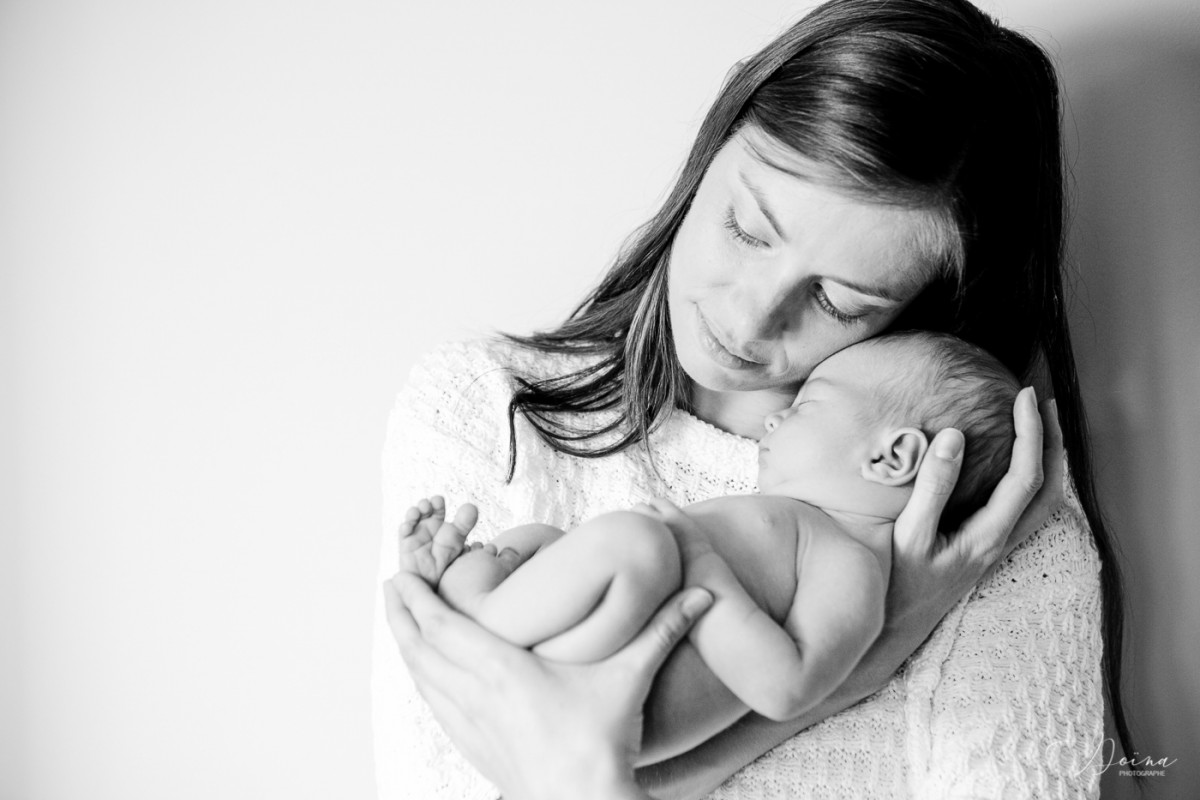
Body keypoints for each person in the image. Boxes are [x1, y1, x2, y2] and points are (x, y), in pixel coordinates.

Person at [373, 0, 1133, 797]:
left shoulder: (993, 538)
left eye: (838, 300)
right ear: (714, 143)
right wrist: (863, 662)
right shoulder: (480, 410)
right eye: (747, 229)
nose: (748, 318)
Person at [395, 332, 1021, 764]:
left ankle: (467, 621)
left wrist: (705, 568)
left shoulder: (851, 563)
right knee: (541, 542)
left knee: (635, 542)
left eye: (807, 405)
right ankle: (464, 592)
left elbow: (786, 689)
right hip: (579, 665)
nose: (774, 418)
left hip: (612, 703)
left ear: (891, 457)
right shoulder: (796, 522)